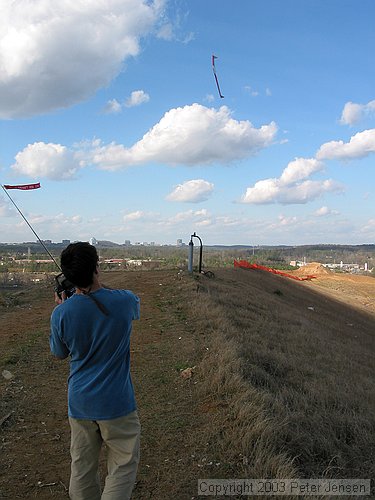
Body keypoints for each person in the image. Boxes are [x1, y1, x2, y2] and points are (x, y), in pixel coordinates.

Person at [49, 242, 140, 500]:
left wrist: (64, 306)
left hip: (80, 404)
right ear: (97, 267)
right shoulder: (124, 302)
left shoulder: (61, 313)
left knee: (81, 467)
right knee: (123, 465)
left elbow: (59, 353)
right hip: (118, 403)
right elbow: (131, 304)